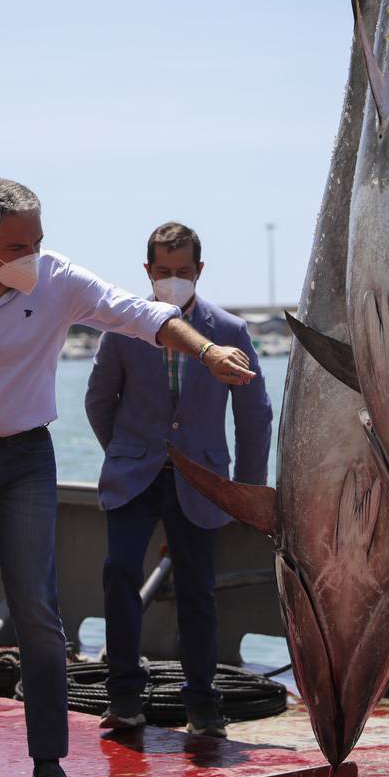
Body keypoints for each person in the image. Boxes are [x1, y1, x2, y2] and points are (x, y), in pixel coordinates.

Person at [0, 181, 256, 777]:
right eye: (18, 245)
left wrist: (207, 351)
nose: (33, 255)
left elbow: (139, 313)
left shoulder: (56, 280)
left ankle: (48, 766)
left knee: (40, 619)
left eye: (38, 241)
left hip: (24, 461)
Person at [84, 222, 272, 738]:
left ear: (199, 271)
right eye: (163, 272)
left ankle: (202, 703)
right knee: (119, 572)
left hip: (204, 480)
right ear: (147, 271)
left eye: (183, 272)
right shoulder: (123, 328)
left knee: (197, 591)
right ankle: (123, 696)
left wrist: (247, 492)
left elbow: (255, 414)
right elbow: (99, 402)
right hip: (134, 476)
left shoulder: (229, 331)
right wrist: (125, 455)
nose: (173, 280)